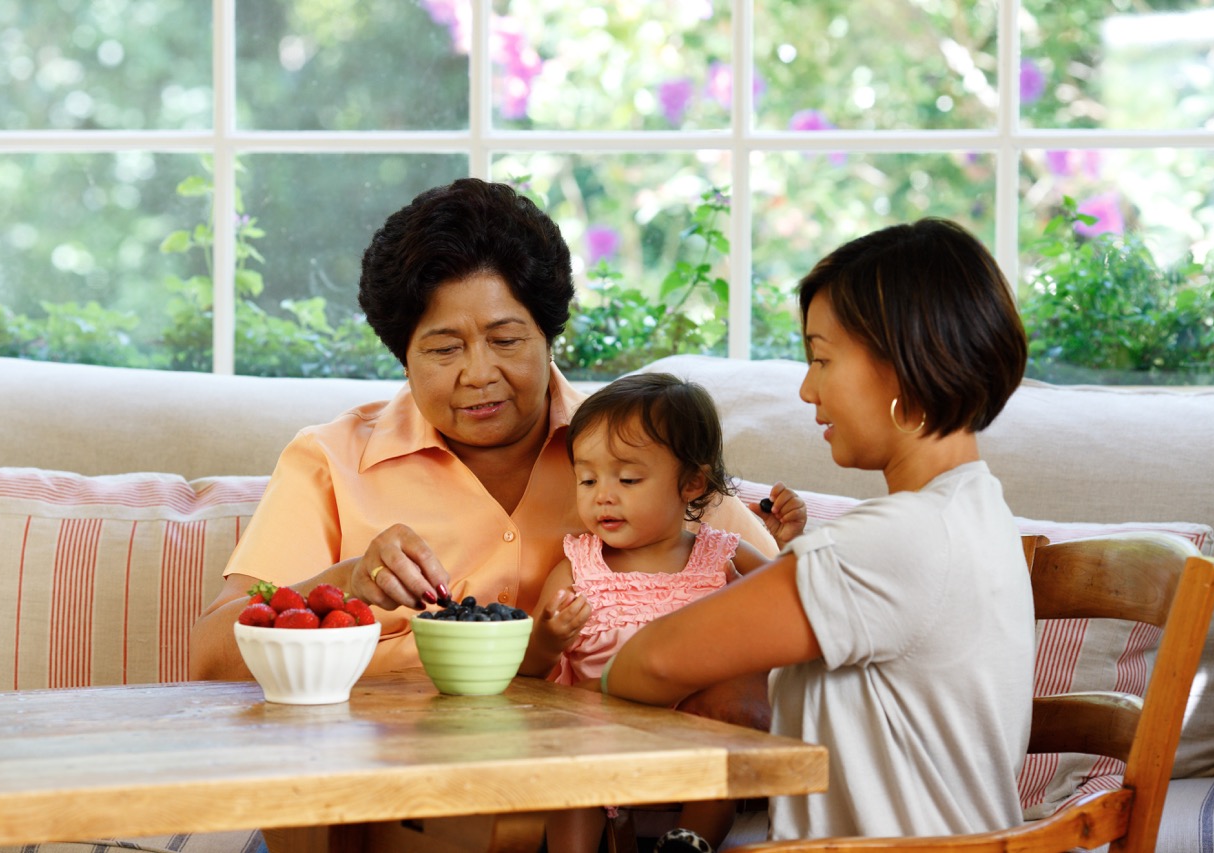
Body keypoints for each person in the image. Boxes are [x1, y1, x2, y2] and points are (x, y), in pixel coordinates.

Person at [188, 177, 783, 685]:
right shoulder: (330, 460)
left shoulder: (639, 450)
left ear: (549, 336)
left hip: (593, 764)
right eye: (445, 348)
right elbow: (210, 657)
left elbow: (789, 598)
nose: (479, 375)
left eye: (505, 341)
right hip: (384, 766)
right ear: (402, 356)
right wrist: (348, 583)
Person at [597, 218, 1035, 841]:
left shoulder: (897, 540)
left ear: (903, 365)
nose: (807, 389)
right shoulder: (976, 507)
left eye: (821, 359)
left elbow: (647, 662)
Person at [519, 372, 805, 853]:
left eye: (628, 479)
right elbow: (531, 668)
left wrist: (788, 546)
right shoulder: (578, 567)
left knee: (721, 739)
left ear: (692, 482)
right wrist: (549, 639)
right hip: (598, 734)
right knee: (570, 769)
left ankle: (690, 841)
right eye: (587, 479)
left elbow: (788, 603)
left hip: (696, 730)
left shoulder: (723, 557)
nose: (602, 495)